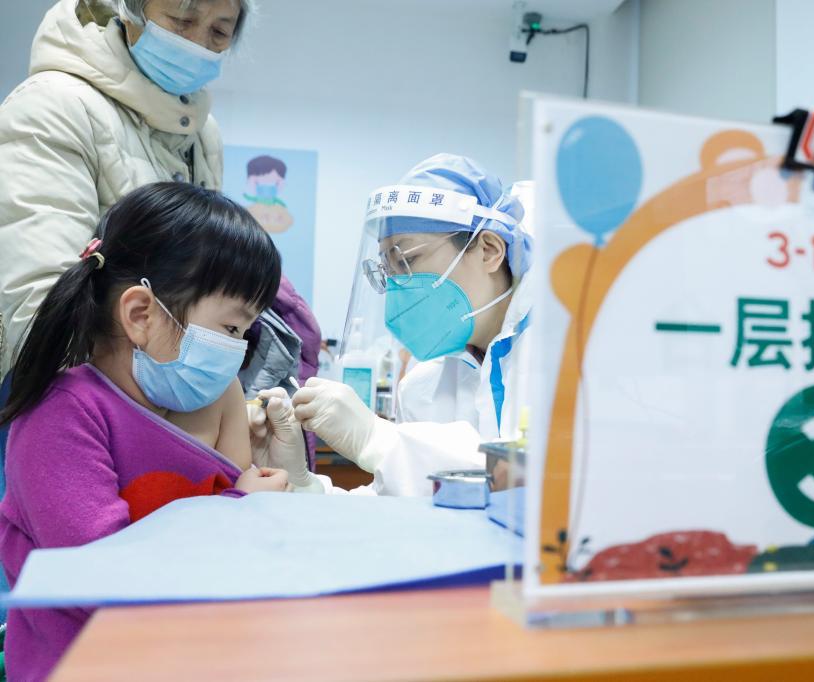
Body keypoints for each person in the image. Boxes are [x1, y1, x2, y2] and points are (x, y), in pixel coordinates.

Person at [0, 0, 323, 491]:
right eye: (182, 18)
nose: (198, 43)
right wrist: (171, 436)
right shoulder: (52, 107)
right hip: (74, 417)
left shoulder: (200, 134)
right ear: (127, 9)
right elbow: (38, 311)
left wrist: (205, 396)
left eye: (220, 31)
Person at [0, 183, 313, 681]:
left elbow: (247, 556)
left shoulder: (220, 398)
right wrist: (241, 509)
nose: (237, 350)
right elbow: (98, 581)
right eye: (231, 329)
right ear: (141, 314)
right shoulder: (63, 415)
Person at [292, 154, 533, 496]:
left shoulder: (562, 351)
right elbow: (403, 503)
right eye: (389, 269)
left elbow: (541, 477)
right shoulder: (423, 385)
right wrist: (307, 489)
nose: (397, 286)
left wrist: (377, 438)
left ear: (489, 250)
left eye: (407, 260)